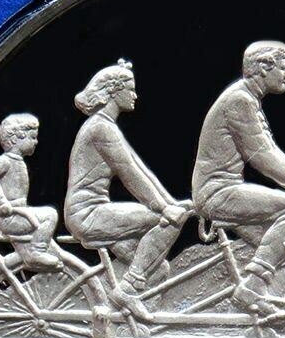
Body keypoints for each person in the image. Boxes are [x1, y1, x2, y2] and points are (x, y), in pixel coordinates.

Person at [192, 41, 285, 315]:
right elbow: (266, 158)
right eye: (283, 67)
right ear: (264, 67)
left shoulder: (247, 99)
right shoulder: (239, 101)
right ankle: (251, 288)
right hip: (217, 193)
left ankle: (269, 317)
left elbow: (268, 154)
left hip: (224, 190)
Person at [65, 59, 191, 319]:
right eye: (130, 89)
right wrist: (165, 209)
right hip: (87, 214)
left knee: (159, 269)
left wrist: (172, 203)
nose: (135, 95)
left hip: (97, 212)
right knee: (167, 222)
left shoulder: (106, 126)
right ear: (114, 91)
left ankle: (136, 333)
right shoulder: (100, 128)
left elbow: (142, 170)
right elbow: (130, 175)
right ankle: (128, 289)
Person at [0, 113, 61, 270]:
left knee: (47, 216)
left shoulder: (17, 161)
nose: (36, 142)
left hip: (19, 213)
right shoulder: (5, 161)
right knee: (50, 215)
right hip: (10, 216)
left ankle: (35, 252)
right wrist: (1, 202)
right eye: (32, 137)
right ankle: (36, 252)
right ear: (15, 139)